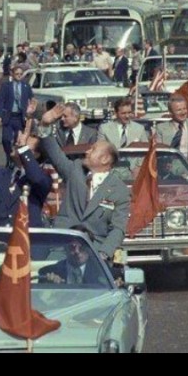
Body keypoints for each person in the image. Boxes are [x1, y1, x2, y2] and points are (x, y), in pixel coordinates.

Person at [38, 103, 131, 263]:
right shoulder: (75, 170)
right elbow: (54, 153)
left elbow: (118, 229)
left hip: (95, 252)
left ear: (105, 159)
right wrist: (45, 125)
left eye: (93, 150)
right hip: (63, 248)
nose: (87, 151)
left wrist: (103, 254)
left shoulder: (119, 190)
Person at [0, 131, 51, 229]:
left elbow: (37, 178)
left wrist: (23, 149)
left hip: (25, 235)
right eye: (19, 142)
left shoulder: (42, 178)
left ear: (36, 155)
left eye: (24, 144)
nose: (17, 144)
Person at [155, 94, 188, 171]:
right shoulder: (161, 128)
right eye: (179, 110)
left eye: (184, 109)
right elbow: (158, 152)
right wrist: (165, 163)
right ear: (171, 112)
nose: (183, 112)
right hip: (169, 171)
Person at [0, 65, 34, 167]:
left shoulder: (26, 86)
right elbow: (0, 101)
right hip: (9, 117)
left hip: (20, 118)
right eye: (17, 74)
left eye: (21, 74)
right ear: (12, 74)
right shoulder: (6, 86)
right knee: (6, 139)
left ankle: (17, 160)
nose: (19, 76)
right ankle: (9, 156)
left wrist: (30, 111)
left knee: (18, 141)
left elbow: (32, 100)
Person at [39, 234, 105, 286]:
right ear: (65, 248)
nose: (77, 251)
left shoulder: (102, 272)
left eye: (82, 247)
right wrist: (52, 288)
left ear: (90, 249)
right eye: (72, 247)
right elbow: (39, 297)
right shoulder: (48, 272)